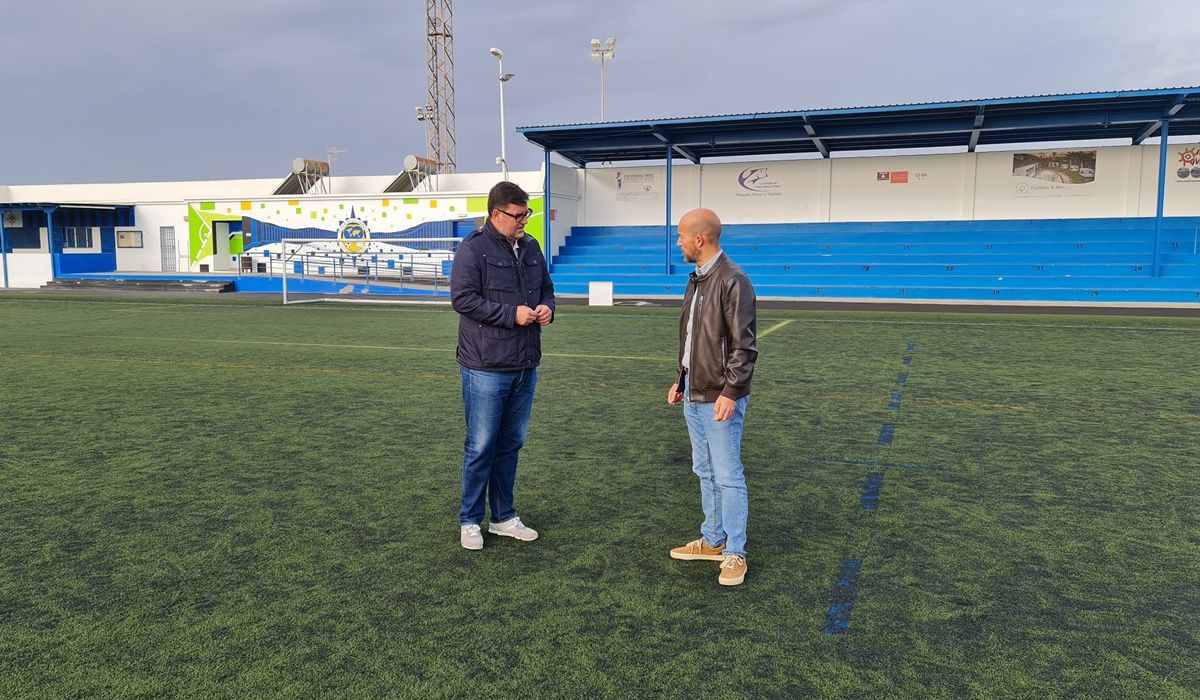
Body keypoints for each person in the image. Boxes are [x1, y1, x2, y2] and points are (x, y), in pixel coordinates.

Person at [450, 181, 554, 550]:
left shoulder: (531, 247)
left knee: (511, 444)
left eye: (526, 213)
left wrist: (546, 309)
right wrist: (512, 314)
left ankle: (504, 517)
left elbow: (546, 289)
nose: (524, 220)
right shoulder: (473, 249)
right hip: (484, 366)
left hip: (525, 363)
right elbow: (463, 300)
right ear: (497, 214)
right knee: (481, 446)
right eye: (518, 215)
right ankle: (469, 520)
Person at [666, 208, 758, 586]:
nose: (679, 243)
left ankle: (736, 552)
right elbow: (693, 340)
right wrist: (681, 379)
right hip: (694, 392)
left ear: (699, 240)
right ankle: (713, 540)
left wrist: (732, 391)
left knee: (728, 476)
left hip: (719, 396)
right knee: (704, 471)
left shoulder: (733, 280)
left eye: (681, 237)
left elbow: (744, 346)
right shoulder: (698, 279)